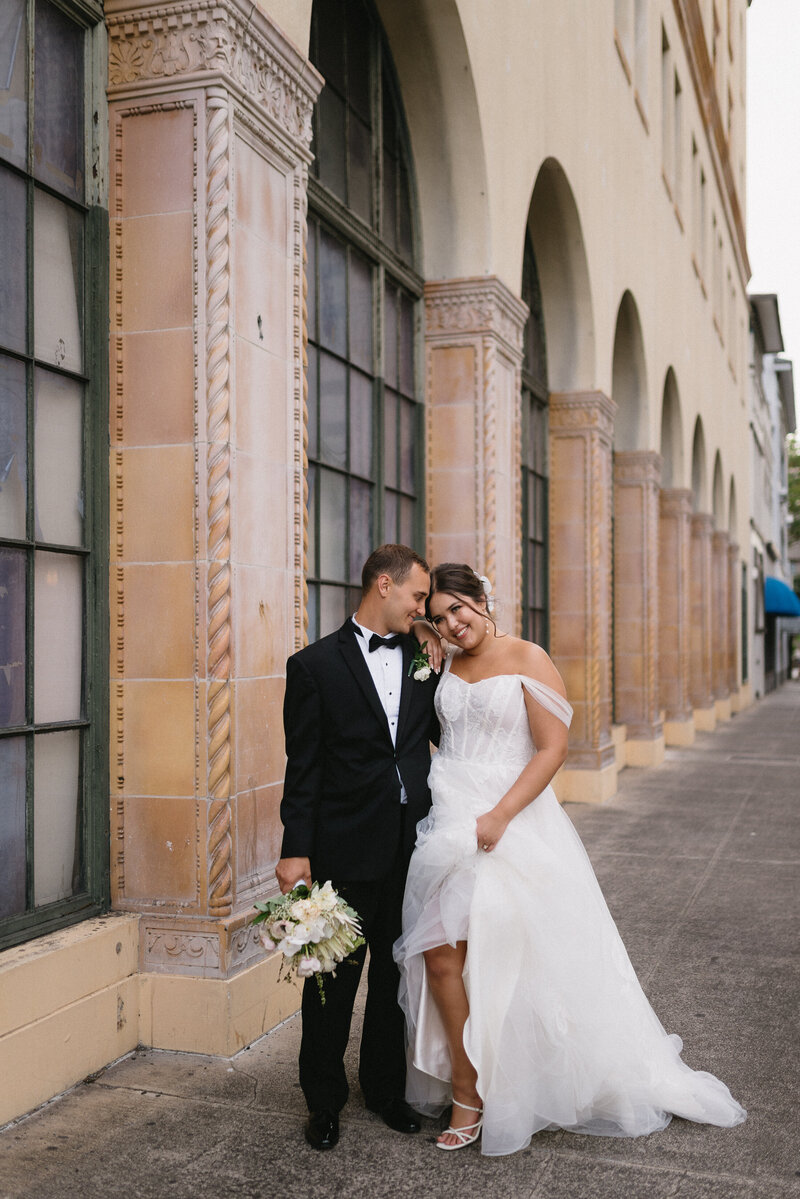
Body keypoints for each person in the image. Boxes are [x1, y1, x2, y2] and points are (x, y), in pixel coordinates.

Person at [394, 563, 747, 1156]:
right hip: (451, 817)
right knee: (440, 957)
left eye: (460, 608)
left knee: (515, 957)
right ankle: (467, 1089)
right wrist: (424, 638)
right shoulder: (444, 663)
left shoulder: (530, 657)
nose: (453, 623)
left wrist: (502, 815)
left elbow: (554, 747)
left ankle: (524, 1081)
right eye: (440, 616)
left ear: (484, 600)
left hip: (511, 820)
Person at [277, 544, 441, 1151]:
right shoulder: (314, 666)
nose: (421, 608)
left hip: (413, 847)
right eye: (417, 596)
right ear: (382, 585)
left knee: (395, 979)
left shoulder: (426, 659)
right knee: (331, 986)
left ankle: (385, 1091)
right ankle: (323, 1103)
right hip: (343, 850)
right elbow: (304, 769)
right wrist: (297, 850)